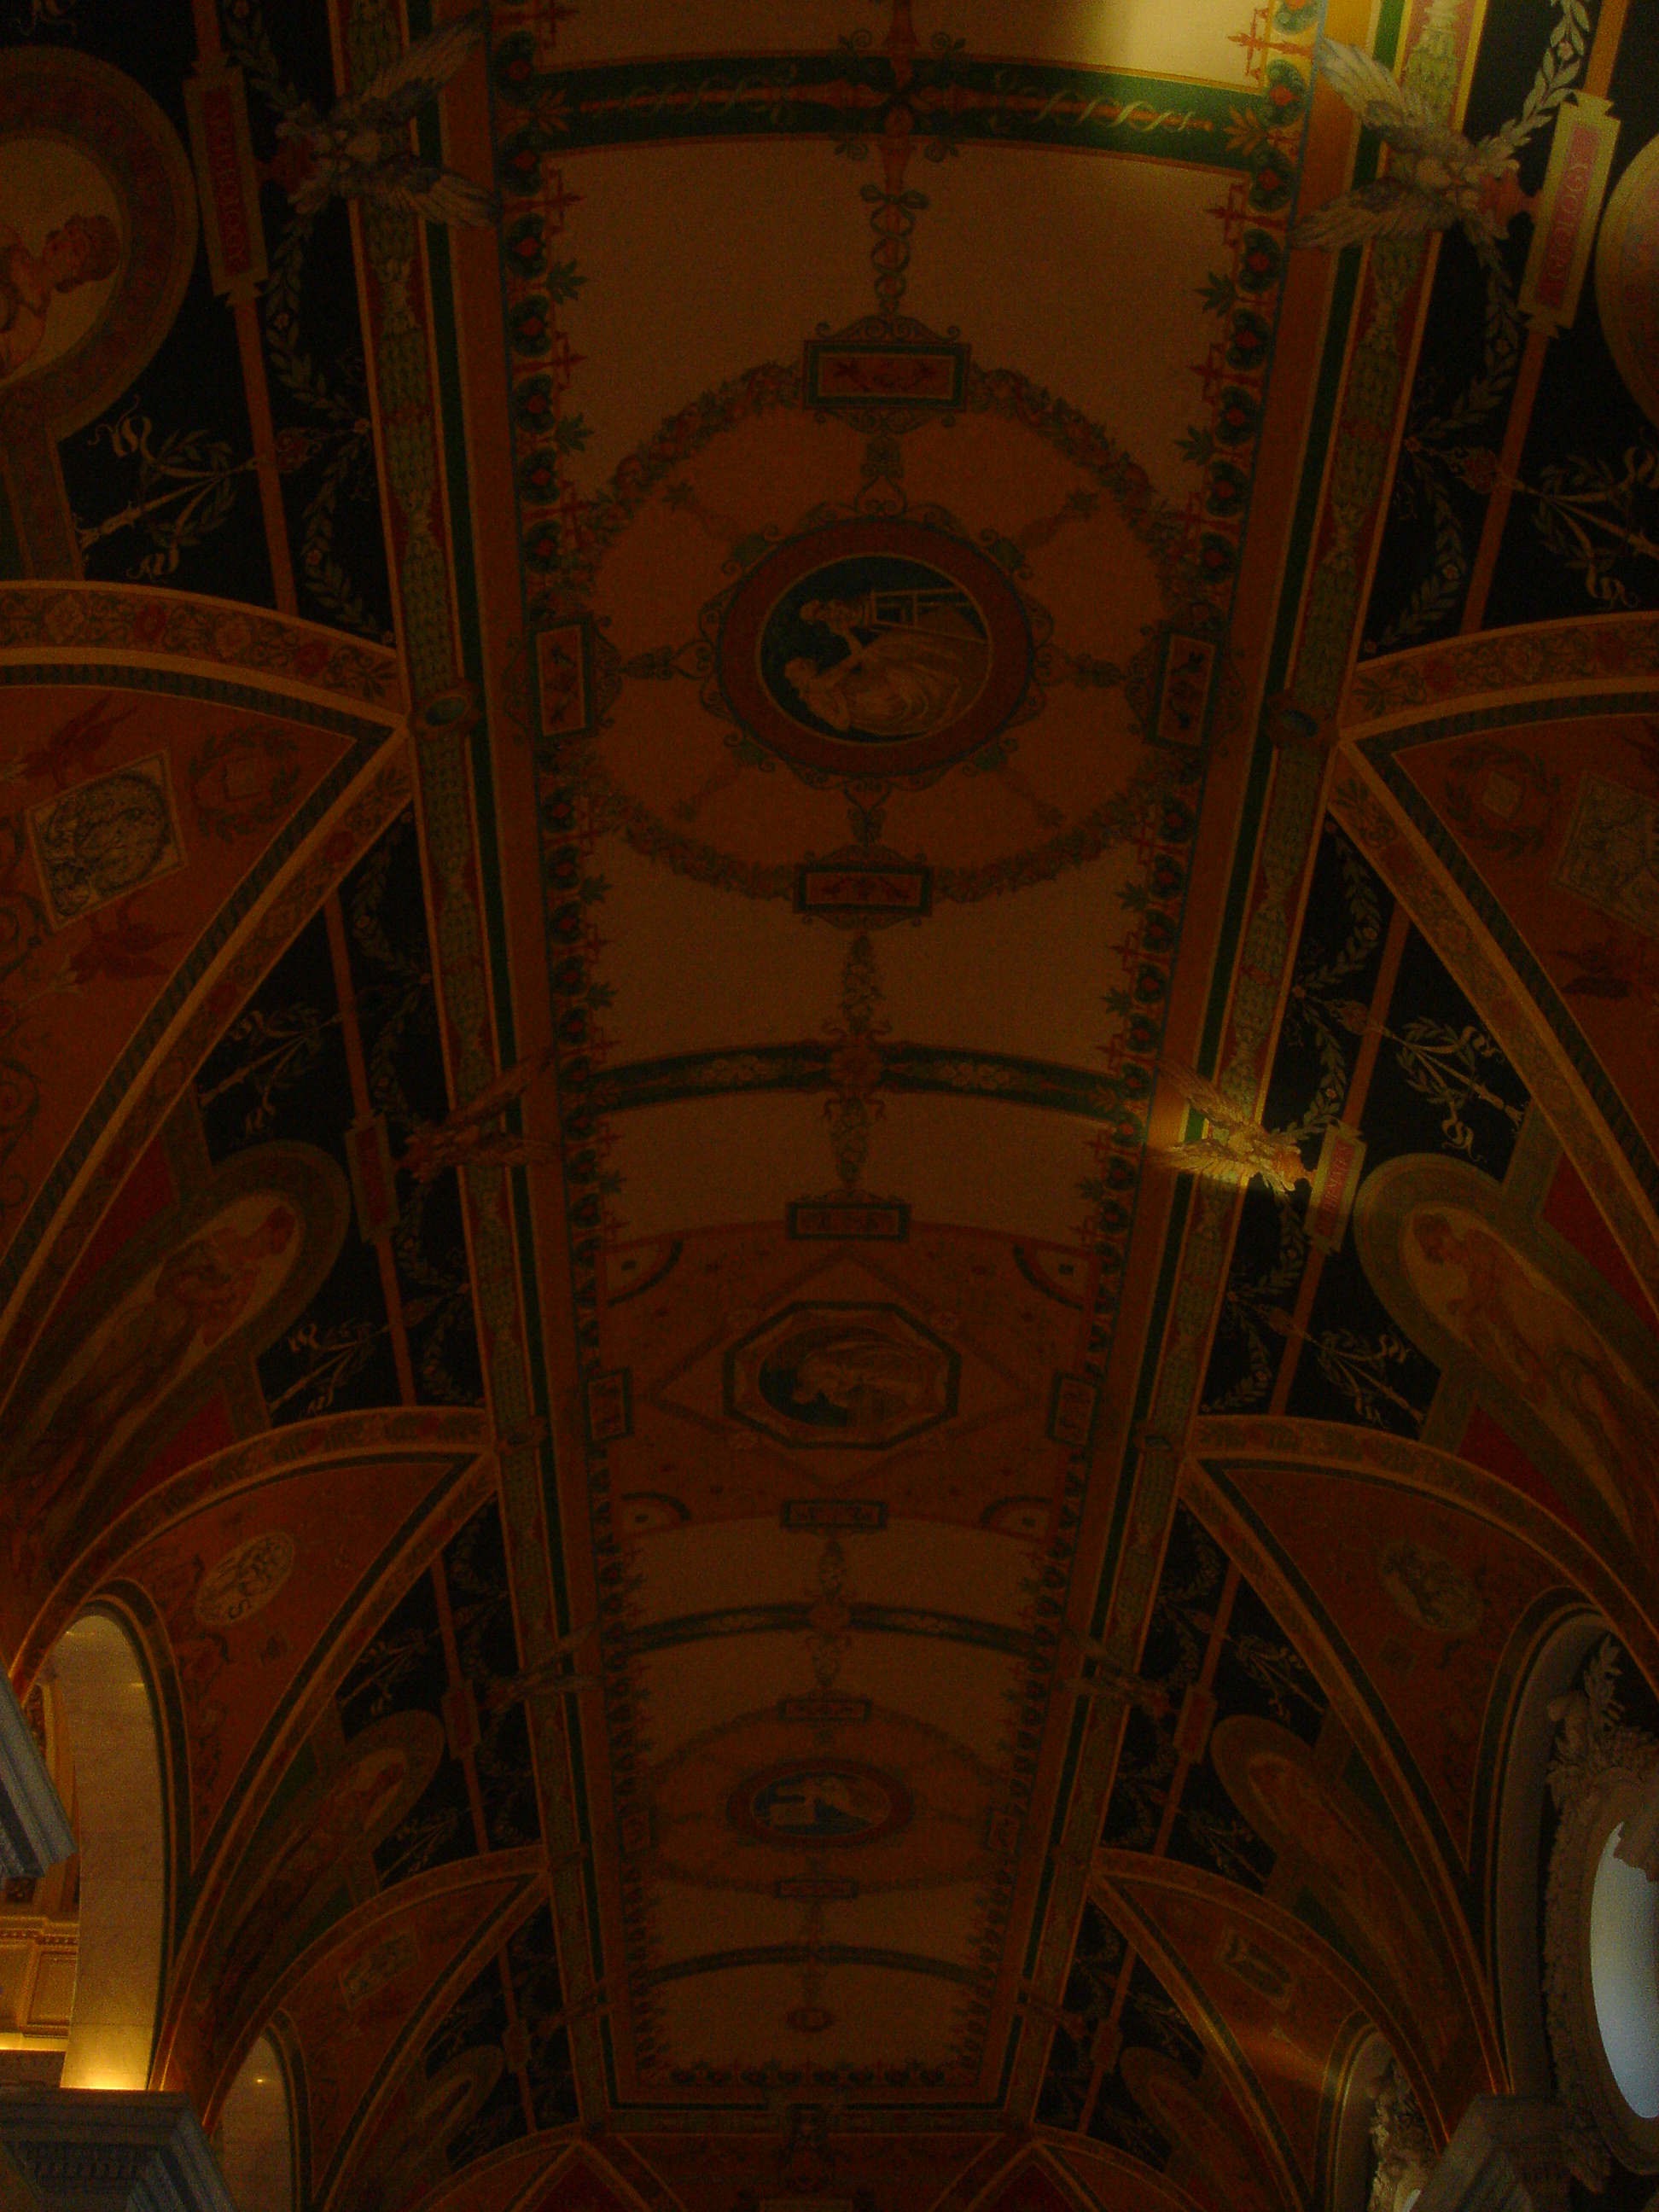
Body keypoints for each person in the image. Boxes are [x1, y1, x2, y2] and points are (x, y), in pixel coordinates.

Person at [0, 212, 120, 379]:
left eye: (76, 249)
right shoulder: (8, 240)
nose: (65, 242)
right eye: (70, 232)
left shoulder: (31, 327)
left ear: (77, 273)